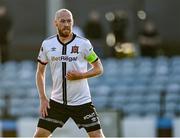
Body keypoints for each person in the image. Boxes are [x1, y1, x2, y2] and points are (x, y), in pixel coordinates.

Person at [34, 9, 105, 138]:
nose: (66, 24)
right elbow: (40, 72)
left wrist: (81, 75)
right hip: (57, 102)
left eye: (69, 21)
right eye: (62, 21)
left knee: (97, 136)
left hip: (82, 102)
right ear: (55, 23)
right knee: (40, 135)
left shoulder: (83, 44)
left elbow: (99, 68)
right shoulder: (48, 44)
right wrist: (43, 98)